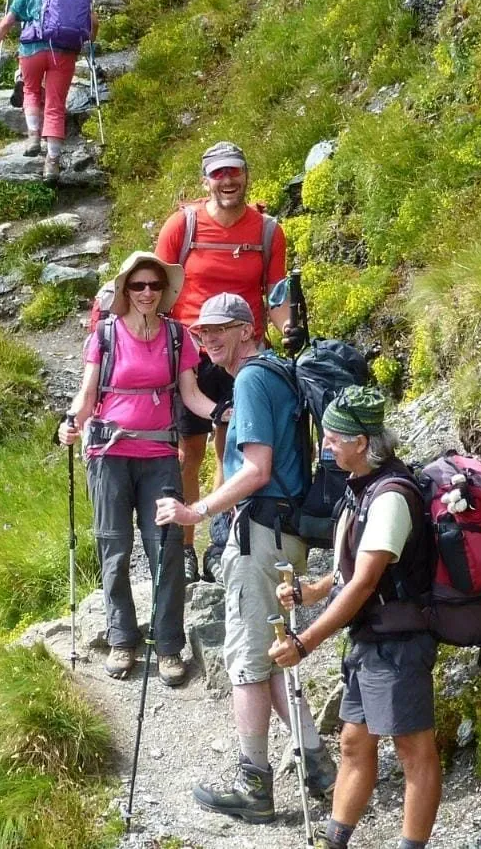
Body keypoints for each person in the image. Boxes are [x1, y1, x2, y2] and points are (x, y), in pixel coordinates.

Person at [156, 292, 333, 824]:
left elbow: (256, 469)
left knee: (246, 664)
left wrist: (198, 512)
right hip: (282, 532)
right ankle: (321, 766)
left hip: (260, 533)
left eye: (218, 329)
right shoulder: (275, 372)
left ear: (246, 330)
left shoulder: (253, 379)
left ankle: (253, 784)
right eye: (202, 331)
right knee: (266, 655)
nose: (206, 338)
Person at [270, 386, 441, 849]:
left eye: (332, 438)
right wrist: (313, 590)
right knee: (353, 744)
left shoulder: (389, 498)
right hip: (372, 642)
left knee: (413, 751)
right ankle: (334, 842)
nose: (325, 446)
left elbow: (365, 583)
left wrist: (304, 642)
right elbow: (352, 571)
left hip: (399, 643)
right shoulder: (360, 489)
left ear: (362, 442)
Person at [59, 252, 218, 688]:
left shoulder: (177, 336)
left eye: (153, 286)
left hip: (160, 455)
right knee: (115, 548)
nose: (147, 293)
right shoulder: (105, 335)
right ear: (125, 290)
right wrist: (71, 422)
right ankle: (122, 639)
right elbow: (88, 394)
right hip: (108, 456)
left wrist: (224, 412)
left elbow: (191, 396)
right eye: (138, 286)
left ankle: (169, 646)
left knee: (165, 549)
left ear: (163, 290)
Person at [155, 141, 296, 581]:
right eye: (218, 174)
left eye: (234, 171)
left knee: (230, 448)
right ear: (206, 180)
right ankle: (182, 548)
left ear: (246, 175)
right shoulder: (183, 225)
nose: (227, 180)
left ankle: (222, 540)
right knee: (186, 452)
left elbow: (275, 295)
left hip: (242, 354)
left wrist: (290, 328)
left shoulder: (268, 231)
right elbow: (155, 288)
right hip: (190, 354)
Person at [0, 0, 96, 181]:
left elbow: (7, 22)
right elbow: (92, 25)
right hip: (64, 53)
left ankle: (34, 136)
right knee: (55, 105)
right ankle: (52, 163)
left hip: (31, 52)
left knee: (31, 90)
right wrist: (88, 40)